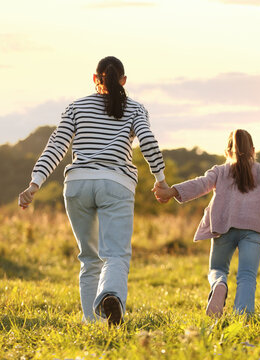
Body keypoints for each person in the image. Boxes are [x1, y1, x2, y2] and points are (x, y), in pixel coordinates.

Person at [18, 56, 167, 325]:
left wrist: (35, 183)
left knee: (89, 258)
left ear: (95, 79)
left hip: (78, 184)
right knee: (116, 254)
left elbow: (57, 146)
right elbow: (147, 141)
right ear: (123, 81)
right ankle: (110, 295)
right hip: (116, 184)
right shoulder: (135, 108)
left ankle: (94, 325)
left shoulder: (76, 107)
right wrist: (161, 178)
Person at [152, 129, 260, 317]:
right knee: (247, 275)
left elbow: (200, 184)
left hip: (223, 227)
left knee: (217, 269)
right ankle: (243, 316)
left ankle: (219, 284)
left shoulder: (219, 171)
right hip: (254, 228)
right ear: (253, 150)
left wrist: (172, 191)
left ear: (226, 152)